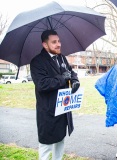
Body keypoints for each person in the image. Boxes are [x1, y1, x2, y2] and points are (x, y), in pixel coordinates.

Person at [30, 30, 80, 160]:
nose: (58, 44)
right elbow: (42, 84)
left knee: (60, 140)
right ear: (45, 45)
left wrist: (74, 81)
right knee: (46, 145)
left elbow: (70, 72)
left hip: (63, 109)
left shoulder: (62, 57)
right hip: (48, 110)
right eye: (54, 42)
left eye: (59, 41)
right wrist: (62, 79)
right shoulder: (37, 62)